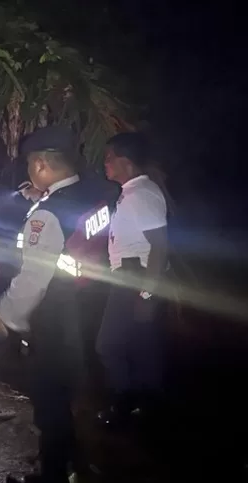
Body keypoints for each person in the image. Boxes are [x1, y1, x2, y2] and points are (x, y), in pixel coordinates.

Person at [0, 126, 111, 483]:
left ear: (41, 164)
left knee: (51, 404)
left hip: (57, 320)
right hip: (91, 309)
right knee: (77, 396)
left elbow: (34, 277)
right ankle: (76, 469)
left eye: (30, 163)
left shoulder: (48, 214)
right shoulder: (98, 195)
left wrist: (5, 315)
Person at [96, 132, 168, 428]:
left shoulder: (141, 195)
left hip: (135, 276)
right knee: (140, 345)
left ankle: (125, 401)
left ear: (125, 160)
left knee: (108, 345)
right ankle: (143, 405)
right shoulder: (131, 193)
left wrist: (146, 294)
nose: (105, 163)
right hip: (129, 275)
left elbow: (160, 246)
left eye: (109, 157)